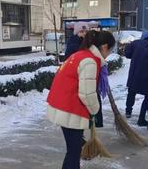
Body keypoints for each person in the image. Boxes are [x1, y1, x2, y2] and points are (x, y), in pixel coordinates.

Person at [47, 30, 116, 169]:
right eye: (110, 50)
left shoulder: (80, 55)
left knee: (73, 150)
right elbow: (87, 94)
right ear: (104, 47)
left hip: (62, 106)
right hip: (70, 109)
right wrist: (95, 111)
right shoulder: (90, 61)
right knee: (74, 152)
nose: (109, 55)